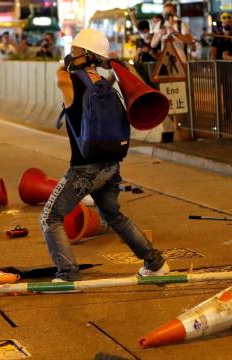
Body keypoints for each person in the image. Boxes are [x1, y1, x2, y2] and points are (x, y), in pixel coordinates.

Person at [41, 28, 169, 282]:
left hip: (84, 168)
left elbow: (58, 74)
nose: (69, 54)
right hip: (111, 165)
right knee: (113, 216)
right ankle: (155, 263)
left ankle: (67, 274)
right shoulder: (106, 84)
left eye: (73, 50)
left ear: (85, 55)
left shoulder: (70, 81)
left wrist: (67, 64)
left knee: (50, 217)